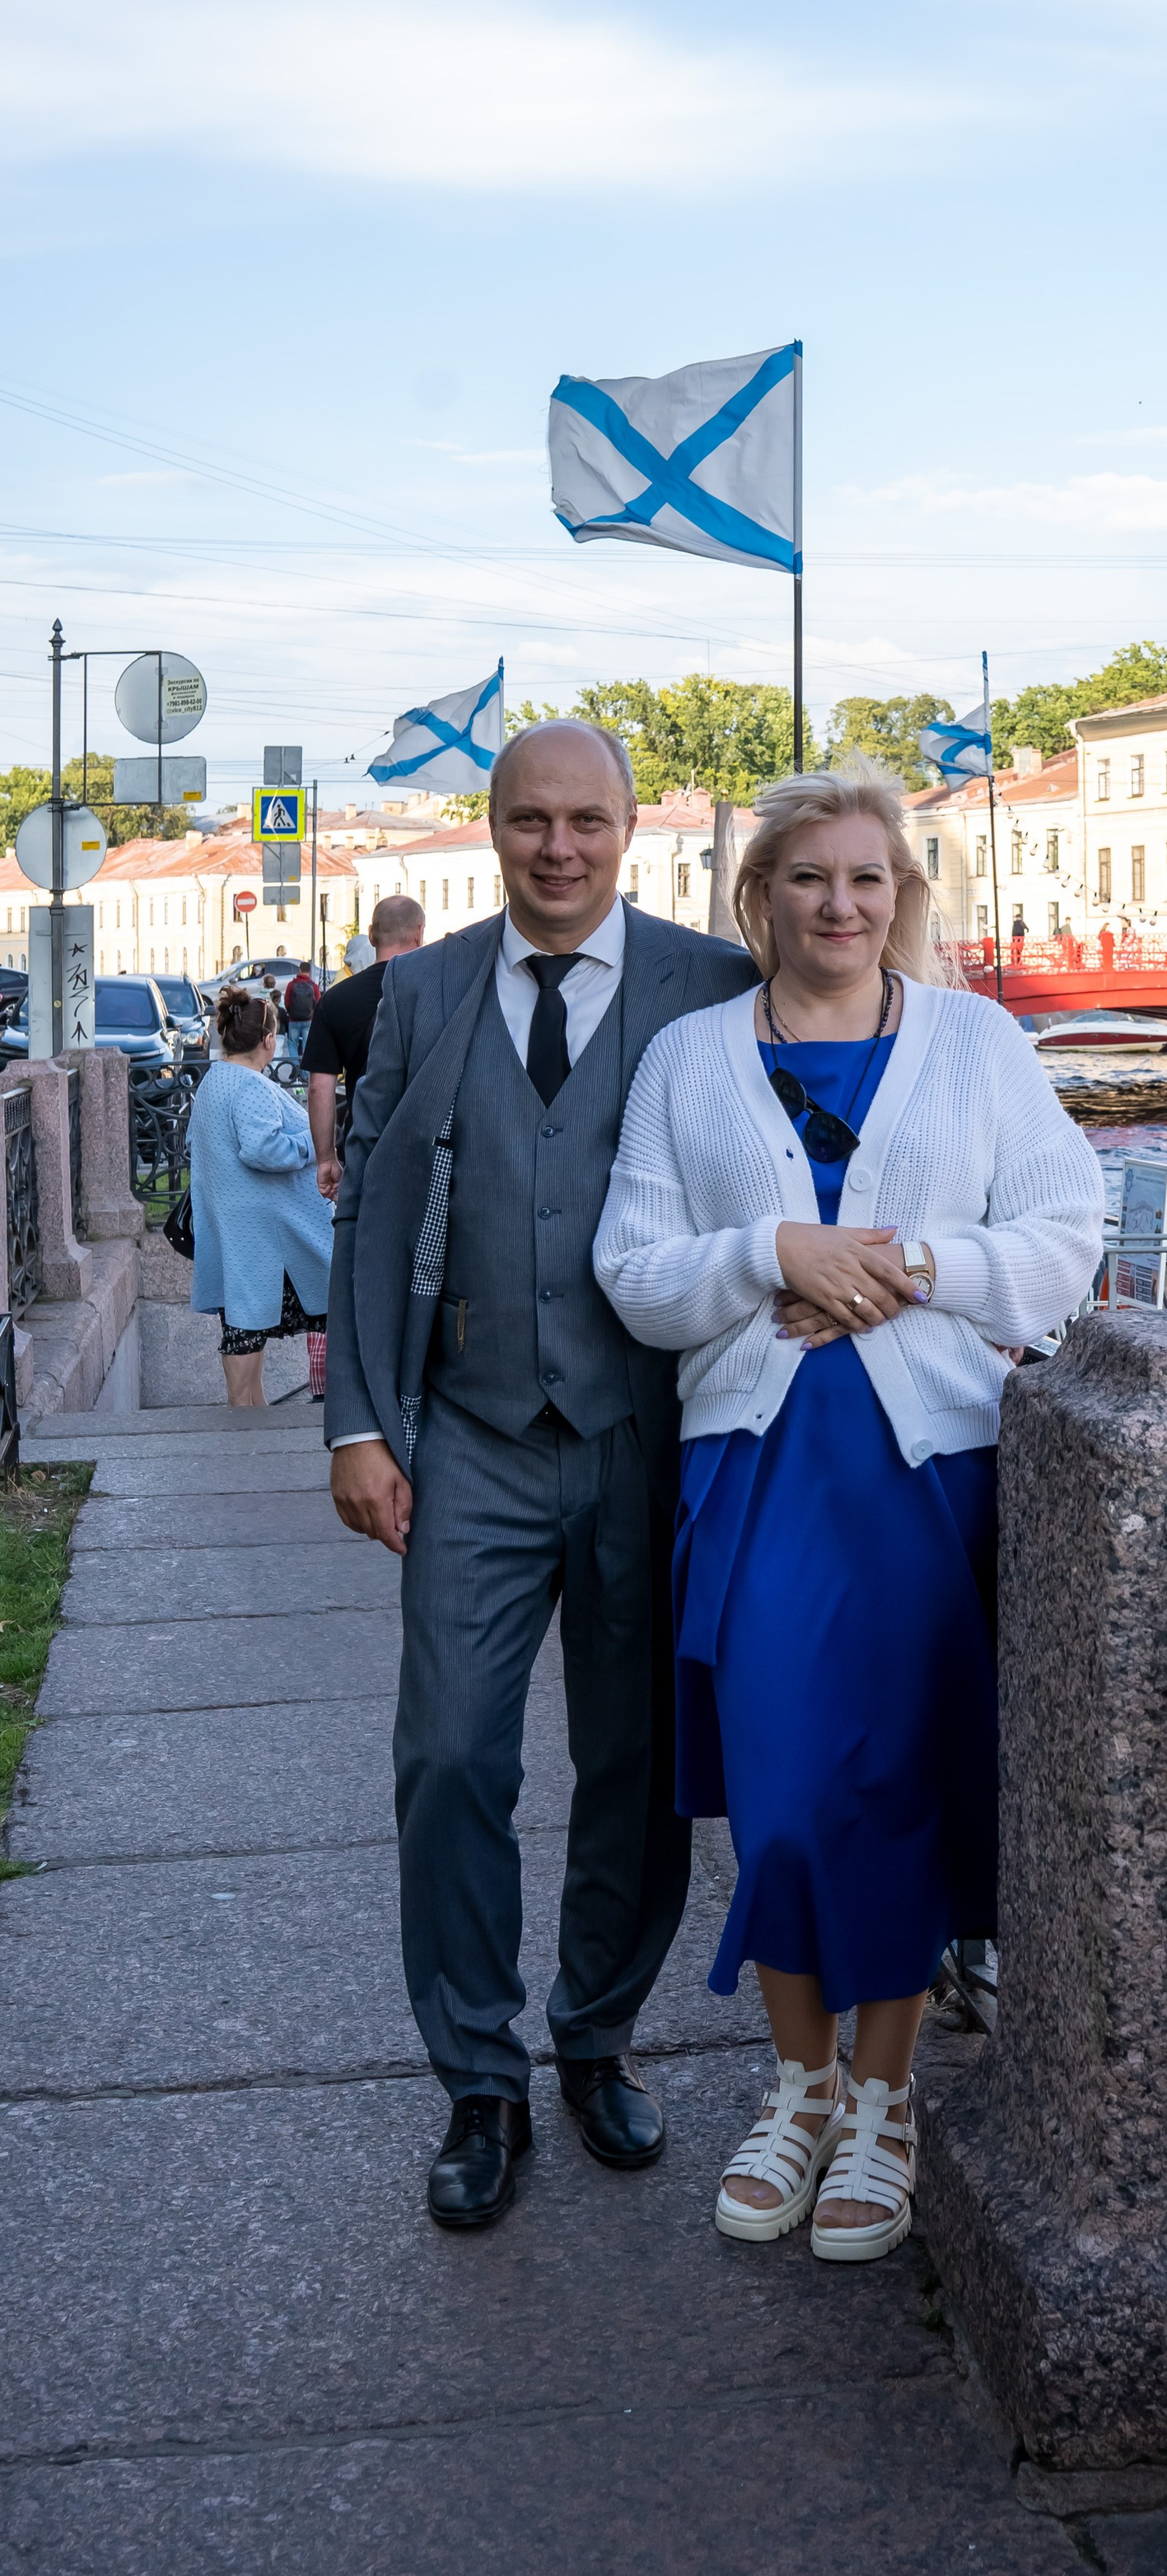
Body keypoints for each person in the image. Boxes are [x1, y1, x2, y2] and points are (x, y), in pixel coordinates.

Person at [594, 768, 1103, 2263]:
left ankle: (879, 2099)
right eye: (810, 877)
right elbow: (637, 1269)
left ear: (903, 895)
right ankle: (800, 2082)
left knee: (902, 1786)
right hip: (755, 1461)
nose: (841, 904)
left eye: (868, 879)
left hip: (926, 1461)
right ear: (762, 896)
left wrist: (914, 1267)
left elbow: (1064, 1236)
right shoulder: (691, 1059)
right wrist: (773, 1251)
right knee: (787, 1798)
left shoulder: (978, 1042)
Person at [325, 722, 756, 2234]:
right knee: (449, 1753)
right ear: (491, 829)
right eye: (528, 822)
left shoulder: (713, 985)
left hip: (652, 1440)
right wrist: (357, 1422)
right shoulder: (425, 989)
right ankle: (476, 2077)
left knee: (637, 1771)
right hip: (473, 1438)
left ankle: (594, 2035)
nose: (557, 848)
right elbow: (375, 1211)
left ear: (634, 827)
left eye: (586, 820)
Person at [189, 987, 337, 1409]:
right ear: (270, 1040)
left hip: (237, 1234)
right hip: (270, 1240)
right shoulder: (249, 1085)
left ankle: (247, 1427)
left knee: (242, 1334)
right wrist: (316, 1143)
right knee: (338, 1313)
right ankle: (251, 1430)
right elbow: (263, 1150)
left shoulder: (214, 1081)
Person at [306, 896, 426, 1203]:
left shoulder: (335, 1000)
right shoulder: (439, 992)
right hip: (430, 1147)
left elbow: (320, 1088)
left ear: (371, 935)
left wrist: (326, 1158)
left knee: (363, 1241)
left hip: (364, 1144)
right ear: (419, 934)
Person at [282, 962, 318, 1065]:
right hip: (308, 1020)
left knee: (293, 1044)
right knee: (307, 1046)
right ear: (310, 972)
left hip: (293, 1020)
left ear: (300, 970)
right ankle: (305, 1073)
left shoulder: (291, 985)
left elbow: (287, 1002)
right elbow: (318, 1002)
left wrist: (291, 1013)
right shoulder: (313, 986)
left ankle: (296, 1068)